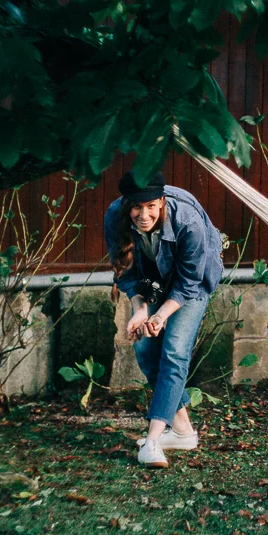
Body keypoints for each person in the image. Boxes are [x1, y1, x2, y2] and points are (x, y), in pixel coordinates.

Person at [104, 170, 223, 468]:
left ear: (162, 202)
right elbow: (128, 273)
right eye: (136, 207)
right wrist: (142, 310)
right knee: (145, 350)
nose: (143, 215)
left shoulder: (187, 222)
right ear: (127, 205)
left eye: (151, 207)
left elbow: (187, 283)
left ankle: (153, 441)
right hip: (153, 280)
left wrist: (161, 316)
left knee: (174, 352)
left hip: (192, 283)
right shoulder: (114, 217)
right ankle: (182, 432)